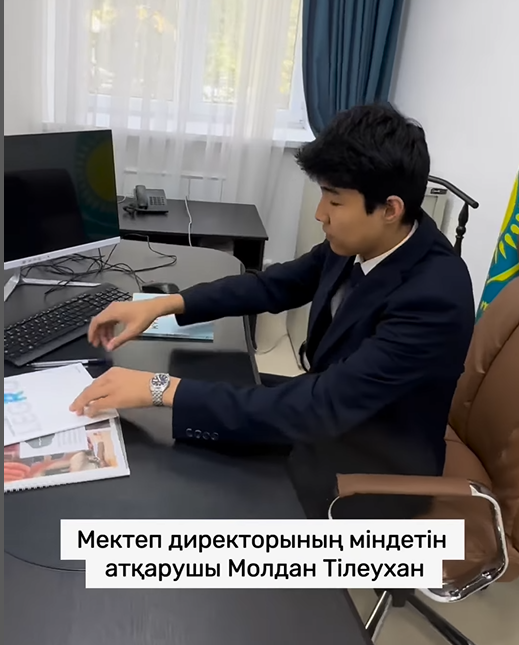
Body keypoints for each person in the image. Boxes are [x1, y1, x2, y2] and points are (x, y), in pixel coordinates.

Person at [70, 103, 475, 520]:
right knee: (185, 406)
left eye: (335, 201)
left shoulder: (435, 297)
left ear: (390, 209)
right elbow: (274, 285)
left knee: (188, 491)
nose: (320, 214)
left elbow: (320, 407)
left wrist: (158, 388)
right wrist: (165, 305)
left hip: (371, 468)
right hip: (329, 413)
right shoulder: (364, 240)